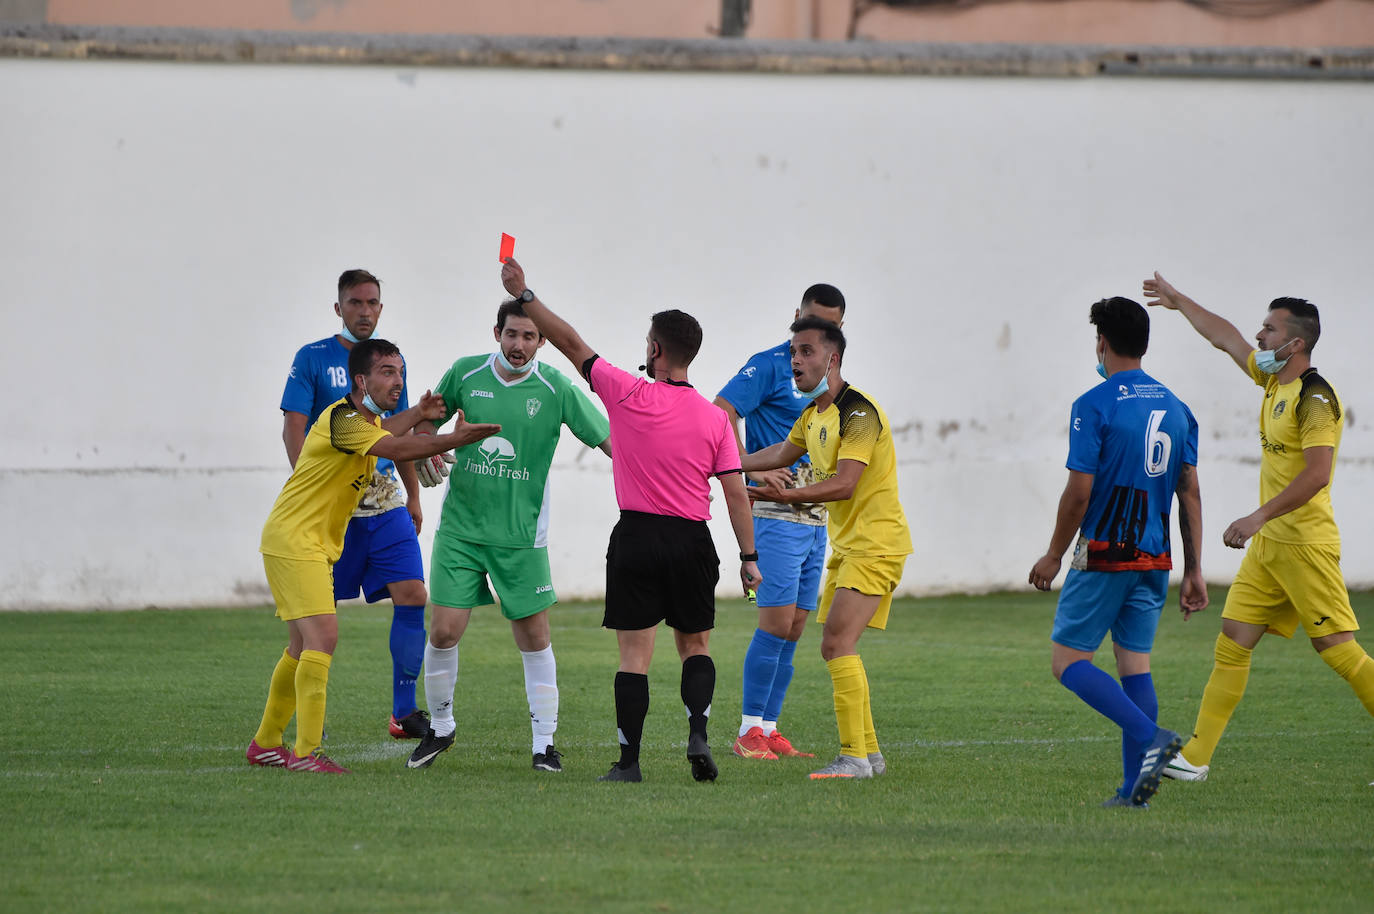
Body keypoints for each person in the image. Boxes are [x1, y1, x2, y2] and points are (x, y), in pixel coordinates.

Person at [497, 256, 760, 783]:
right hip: (692, 540)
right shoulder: (714, 418)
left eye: (647, 342)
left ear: (656, 350)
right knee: (696, 647)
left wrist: (525, 295)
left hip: (637, 537)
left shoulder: (627, 392)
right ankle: (698, 733)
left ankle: (630, 761)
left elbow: (571, 344)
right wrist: (749, 558)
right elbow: (734, 493)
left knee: (634, 656)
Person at [1144, 273, 1374, 784]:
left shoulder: (1315, 399)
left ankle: (1197, 756)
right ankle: (1196, 757)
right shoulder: (1274, 381)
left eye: (1269, 330)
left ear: (1296, 342)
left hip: (1305, 545)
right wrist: (1179, 301)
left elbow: (1318, 474)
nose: (1259, 336)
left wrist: (1257, 516)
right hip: (1271, 548)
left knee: (1338, 650)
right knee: (1233, 637)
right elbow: (1224, 337)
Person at [248, 338, 500, 772]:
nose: (397, 380)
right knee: (322, 639)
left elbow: (391, 433)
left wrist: (421, 415)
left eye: (400, 371)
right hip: (295, 541)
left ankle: (267, 742)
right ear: (360, 380)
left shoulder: (366, 420)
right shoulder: (343, 419)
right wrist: (451, 439)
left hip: (303, 541)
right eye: (386, 372)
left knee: (299, 646)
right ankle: (307, 753)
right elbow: (396, 448)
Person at [404, 300, 612, 772]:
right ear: (496, 332)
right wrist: (426, 450)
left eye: (529, 337)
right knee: (443, 630)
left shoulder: (556, 388)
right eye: (511, 335)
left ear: (541, 342)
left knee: (534, 639)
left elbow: (611, 442)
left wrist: (666, 475)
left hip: (521, 539)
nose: (519, 345)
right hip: (461, 530)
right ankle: (440, 729)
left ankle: (544, 744)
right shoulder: (465, 374)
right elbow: (427, 421)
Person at [1027, 297, 1207, 808]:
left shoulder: (1095, 403)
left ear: (1101, 342)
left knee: (1068, 662)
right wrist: (1195, 570)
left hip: (1107, 553)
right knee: (1135, 668)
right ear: (1144, 344)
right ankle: (1132, 794)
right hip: (1156, 558)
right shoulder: (1178, 407)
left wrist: (1053, 554)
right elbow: (1188, 491)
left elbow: (1079, 492)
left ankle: (1152, 739)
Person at [741, 317, 912, 780]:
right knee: (834, 644)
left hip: (875, 545)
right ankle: (869, 756)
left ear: (831, 359)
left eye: (807, 352)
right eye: (794, 352)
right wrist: (721, 464)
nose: (795, 360)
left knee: (837, 642)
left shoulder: (859, 412)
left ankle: (854, 757)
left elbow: (844, 484)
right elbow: (779, 454)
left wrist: (785, 496)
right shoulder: (815, 413)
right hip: (849, 547)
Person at [279, 269, 432, 740]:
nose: (364, 311)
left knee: (413, 595)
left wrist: (413, 493)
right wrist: (312, 488)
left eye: (372, 303)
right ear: (338, 307)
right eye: (355, 302)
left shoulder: (389, 360)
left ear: (381, 308)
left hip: (383, 502)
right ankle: (278, 734)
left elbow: (397, 433)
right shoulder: (312, 358)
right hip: (335, 509)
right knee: (308, 634)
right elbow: (294, 427)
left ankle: (403, 713)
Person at [713, 284, 846, 762]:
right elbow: (720, 411)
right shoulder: (771, 364)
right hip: (773, 514)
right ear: (796, 315)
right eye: (811, 320)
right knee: (774, 623)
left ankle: (769, 728)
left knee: (794, 627)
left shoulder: (828, 379)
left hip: (814, 517)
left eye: (829, 326)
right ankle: (748, 730)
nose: (816, 331)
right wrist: (746, 464)